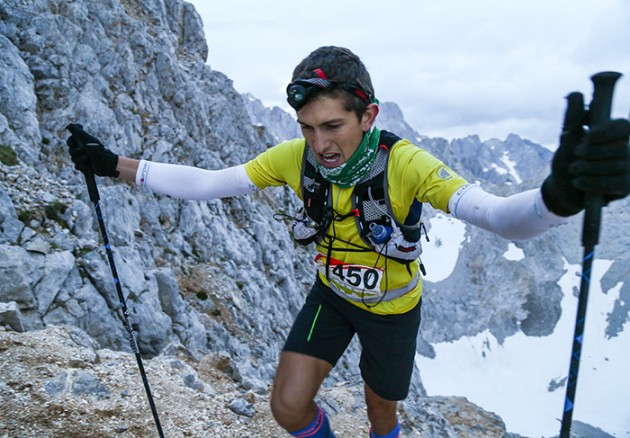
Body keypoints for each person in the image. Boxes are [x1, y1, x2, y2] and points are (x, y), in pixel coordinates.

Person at [66, 46, 630, 438]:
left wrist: (558, 197)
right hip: (332, 296)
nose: (319, 143)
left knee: (382, 415)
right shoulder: (297, 158)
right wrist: (116, 165)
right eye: (307, 128)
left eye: (333, 126)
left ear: (368, 116)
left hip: (393, 311)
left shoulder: (406, 164)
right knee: (287, 407)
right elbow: (214, 184)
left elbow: (498, 217)